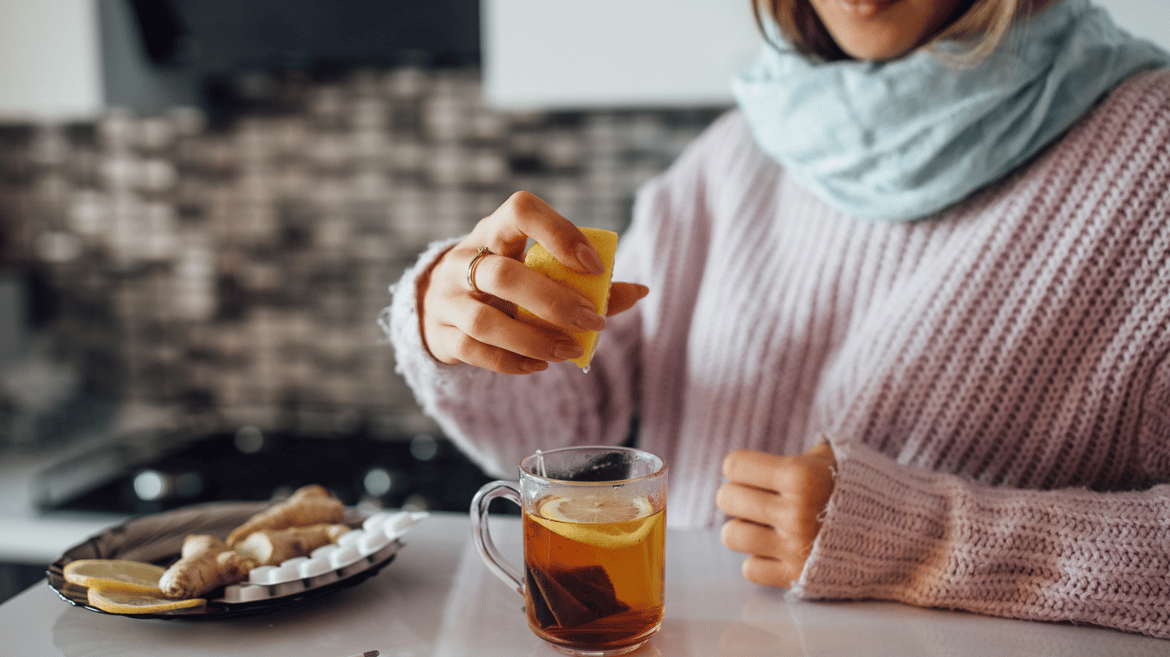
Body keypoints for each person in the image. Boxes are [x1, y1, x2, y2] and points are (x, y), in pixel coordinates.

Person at [382, 0, 1170, 638]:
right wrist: (461, 324)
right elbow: (566, 427)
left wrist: (922, 540)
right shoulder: (734, 156)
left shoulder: (1151, 156)